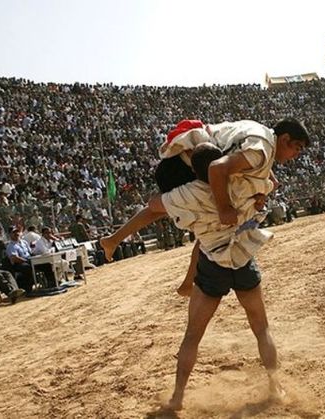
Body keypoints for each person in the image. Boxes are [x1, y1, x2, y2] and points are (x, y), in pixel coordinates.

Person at [159, 142, 301, 411]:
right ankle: (275, 386)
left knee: (193, 335)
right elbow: (271, 178)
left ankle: (178, 396)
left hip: (213, 264)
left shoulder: (189, 194)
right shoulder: (242, 186)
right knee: (261, 328)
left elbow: (153, 206)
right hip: (242, 259)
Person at [100, 118, 309, 264]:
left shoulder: (259, 131)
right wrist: (225, 208)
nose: (296, 155)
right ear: (284, 139)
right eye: (297, 148)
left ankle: (113, 240)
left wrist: (268, 183)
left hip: (186, 162)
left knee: (198, 219)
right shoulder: (261, 149)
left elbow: (250, 161)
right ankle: (133, 225)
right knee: (204, 217)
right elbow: (219, 168)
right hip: (184, 167)